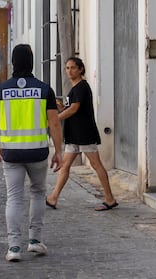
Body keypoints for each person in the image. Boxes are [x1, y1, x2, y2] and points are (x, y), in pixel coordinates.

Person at [0, 44, 63, 262]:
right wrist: (58, 151)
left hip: (11, 154)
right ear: (31, 61)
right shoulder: (44, 89)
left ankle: (14, 247)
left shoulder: (0, 90)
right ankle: (35, 241)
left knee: (14, 197)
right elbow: (54, 124)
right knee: (38, 192)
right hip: (37, 152)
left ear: (12, 62)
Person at [45, 57, 118, 211]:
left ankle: (110, 199)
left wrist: (55, 118)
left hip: (84, 133)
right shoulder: (74, 89)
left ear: (80, 69)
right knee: (65, 165)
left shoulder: (81, 87)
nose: (69, 71)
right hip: (74, 135)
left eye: (73, 67)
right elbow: (69, 108)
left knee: (96, 164)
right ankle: (53, 198)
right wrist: (59, 108)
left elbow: (74, 109)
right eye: (67, 68)